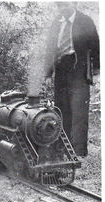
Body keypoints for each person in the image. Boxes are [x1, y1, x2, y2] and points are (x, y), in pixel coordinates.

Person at [44, 2, 99, 157]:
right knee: (61, 109)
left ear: (74, 4)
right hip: (61, 71)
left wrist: (96, 70)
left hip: (79, 70)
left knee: (79, 111)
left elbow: (96, 46)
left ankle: (79, 152)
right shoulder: (57, 22)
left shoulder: (85, 21)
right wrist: (47, 73)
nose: (62, 9)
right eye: (59, 5)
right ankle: (62, 147)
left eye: (65, 5)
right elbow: (49, 48)